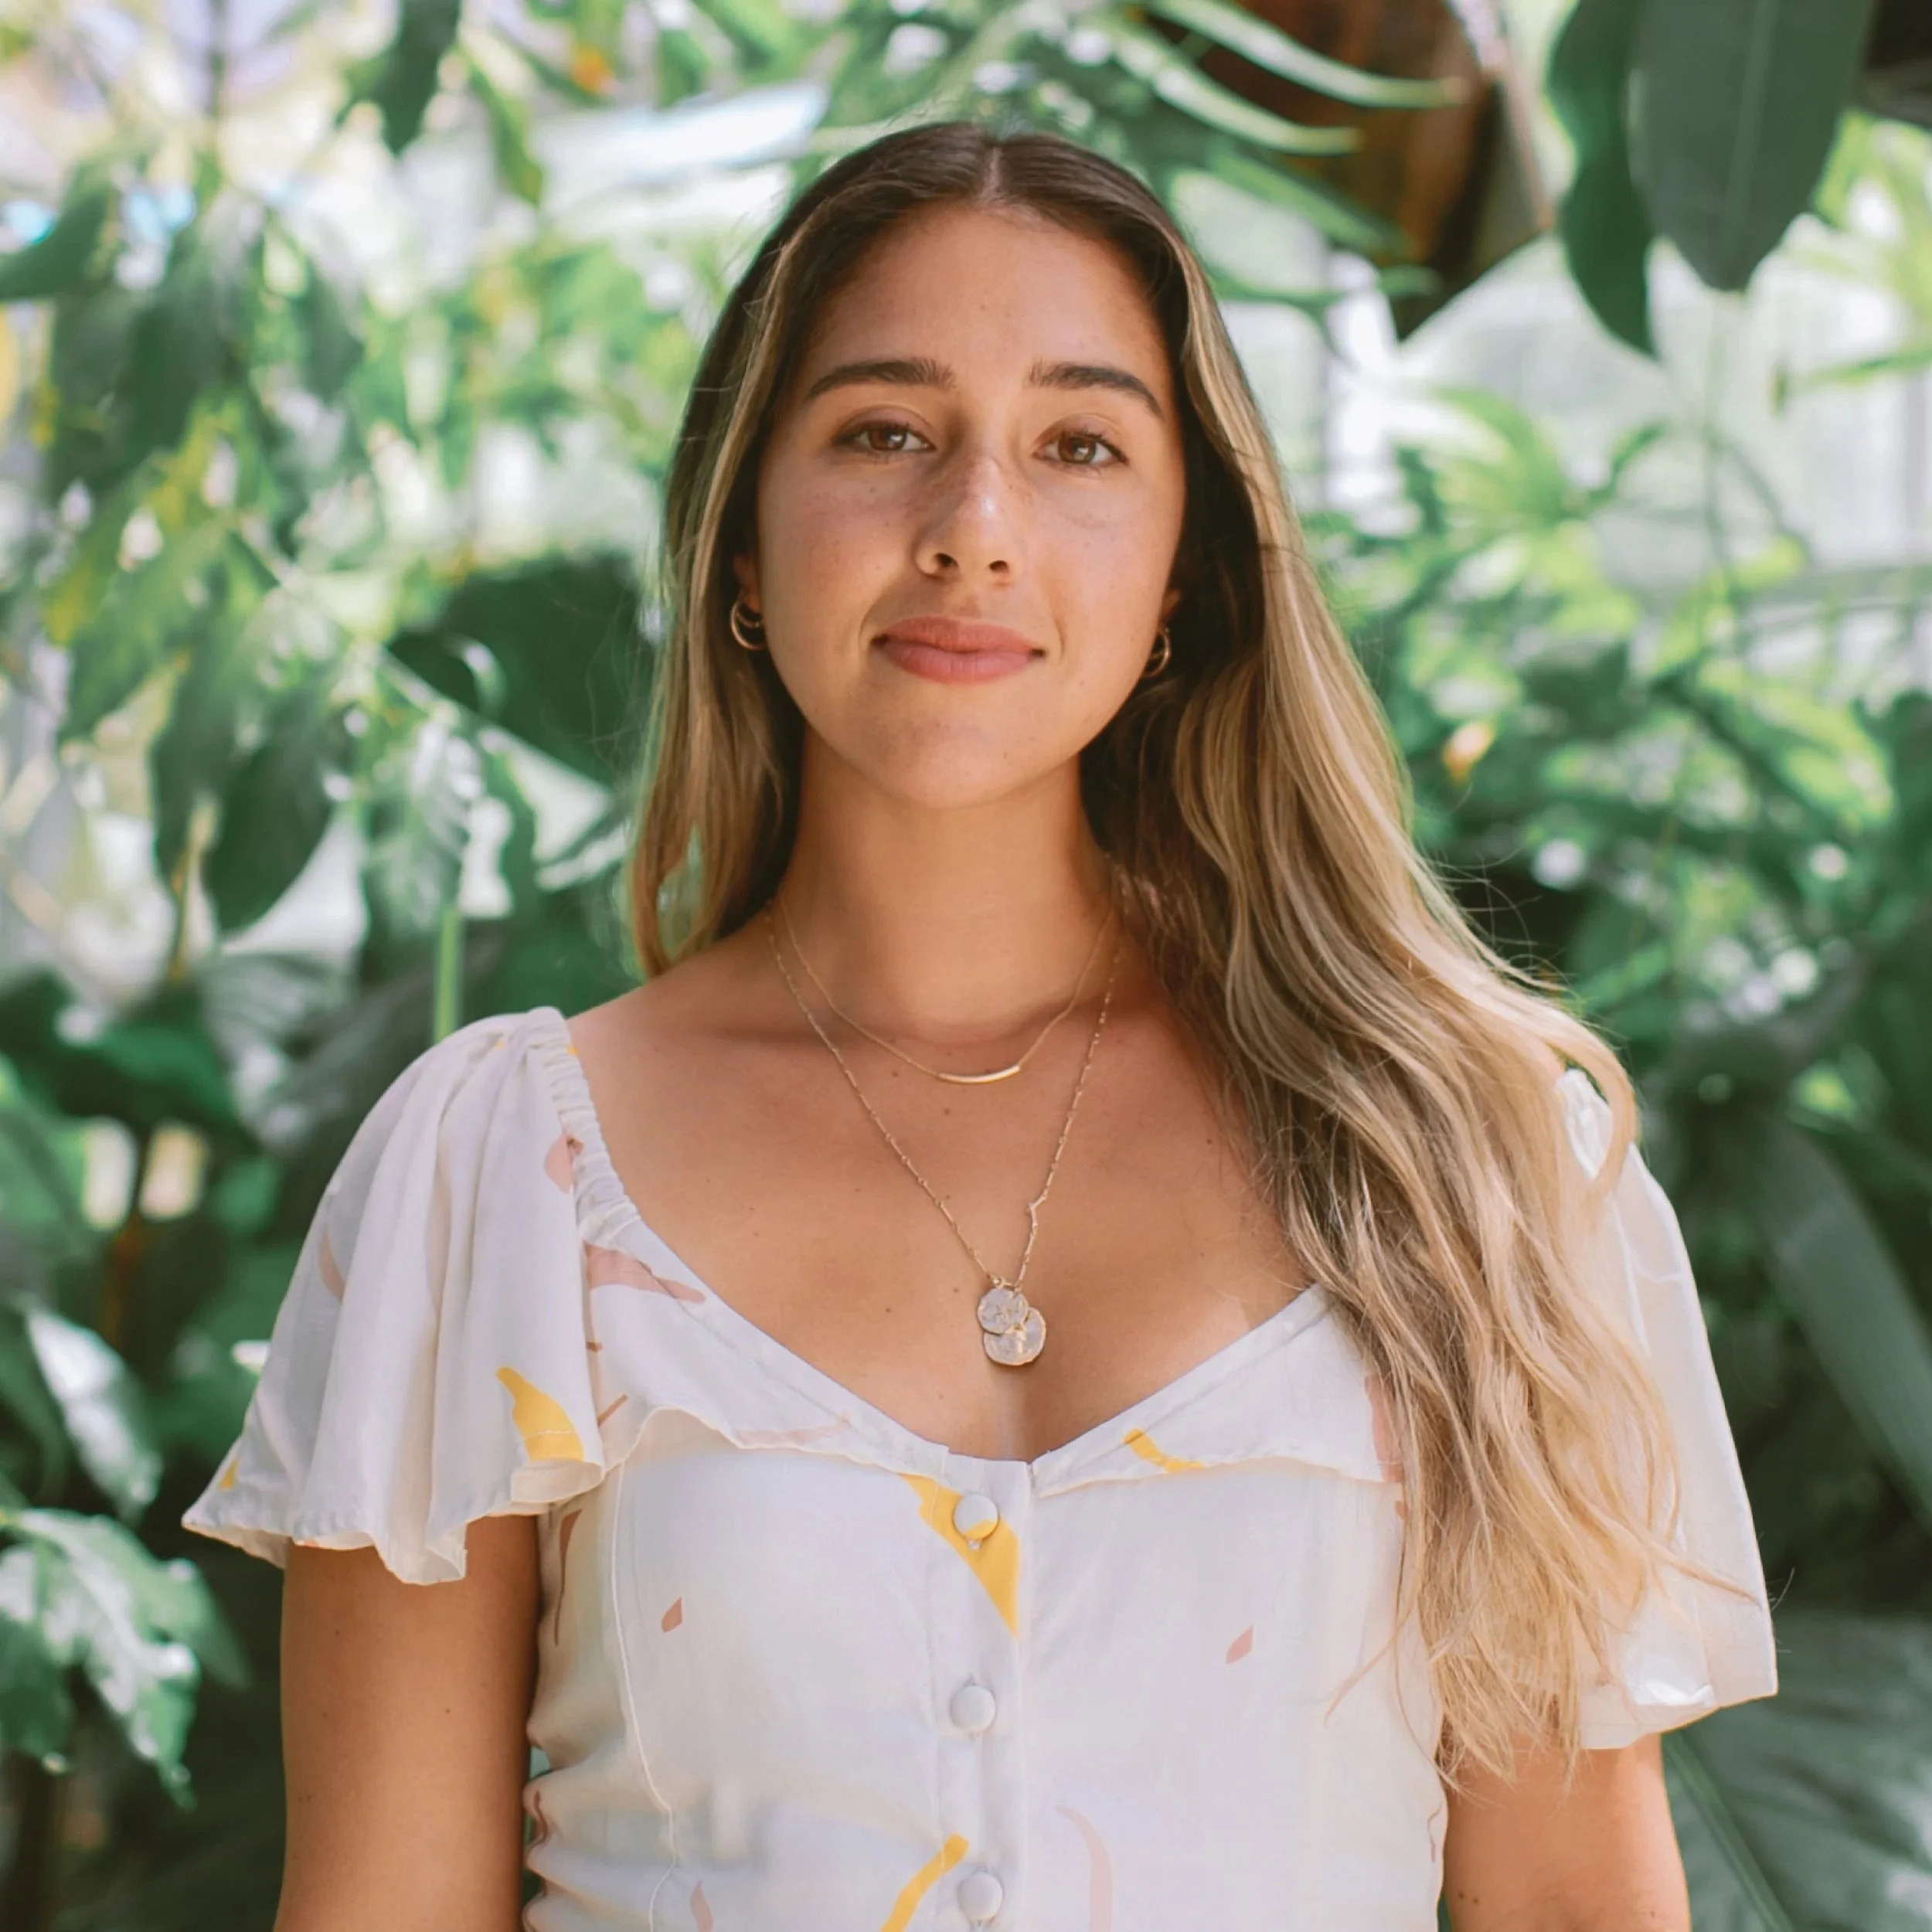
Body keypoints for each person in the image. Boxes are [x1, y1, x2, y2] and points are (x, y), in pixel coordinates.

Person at [183, 119, 1777, 1931]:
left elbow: (1577, 1901)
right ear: (742, 540)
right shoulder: (506, 1176)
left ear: (1182, 569)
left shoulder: (1478, 1166)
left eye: (1080, 444)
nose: (971, 531)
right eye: (882, 432)